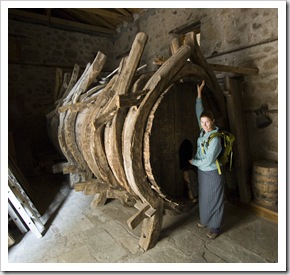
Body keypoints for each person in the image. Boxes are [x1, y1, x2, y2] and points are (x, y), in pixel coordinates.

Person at [188, 80, 225, 239]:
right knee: (204, 198)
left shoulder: (215, 138)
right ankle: (205, 220)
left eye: (207, 122)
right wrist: (199, 95)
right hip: (203, 173)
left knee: (215, 199)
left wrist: (194, 162)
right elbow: (199, 112)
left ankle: (215, 227)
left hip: (212, 172)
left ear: (213, 121)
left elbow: (209, 160)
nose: (204, 124)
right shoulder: (203, 132)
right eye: (202, 122)